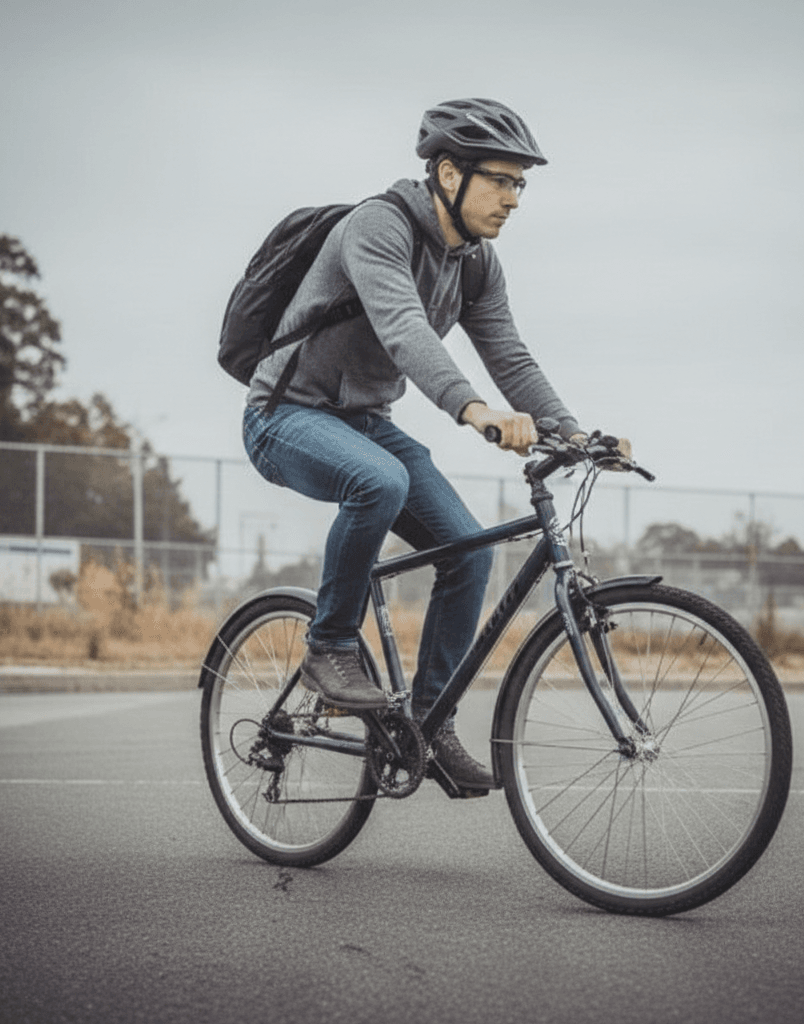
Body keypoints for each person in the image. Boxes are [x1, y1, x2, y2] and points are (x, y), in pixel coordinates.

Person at [242, 98, 587, 791]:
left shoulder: (476, 265)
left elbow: (509, 356)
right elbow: (404, 328)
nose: (514, 199)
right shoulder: (377, 226)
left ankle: (428, 725)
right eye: (501, 179)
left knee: (469, 549)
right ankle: (329, 647)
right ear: (449, 173)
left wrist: (572, 429)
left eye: (523, 184)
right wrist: (473, 409)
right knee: (380, 481)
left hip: (365, 424)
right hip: (285, 415)